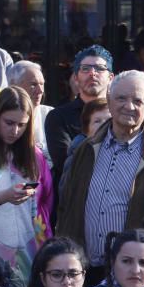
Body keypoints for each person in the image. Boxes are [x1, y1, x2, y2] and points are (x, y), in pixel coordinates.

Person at [56, 70, 144, 283]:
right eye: (121, 98)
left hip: (136, 280)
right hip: (82, 274)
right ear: (109, 101)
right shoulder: (85, 150)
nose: (129, 106)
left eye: (137, 101)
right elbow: (66, 213)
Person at [0, 87, 53, 287]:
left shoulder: (34, 154)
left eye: (22, 125)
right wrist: (3, 197)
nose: (15, 131)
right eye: (9, 123)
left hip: (30, 255)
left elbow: (46, 203)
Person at [44, 45, 113, 185]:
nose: (92, 73)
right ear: (75, 77)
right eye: (85, 69)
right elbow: (65, 163)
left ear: (111, 77)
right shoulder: (58, 117)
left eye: (99, 69)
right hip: (74, 198)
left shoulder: (119, 115)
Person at [5, 61, 52, 159]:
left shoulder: (51, 115)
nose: (40, 91)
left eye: (42, 84)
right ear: (13, 85)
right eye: (33, 84)